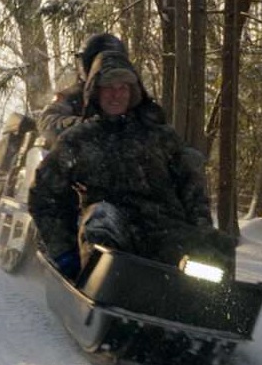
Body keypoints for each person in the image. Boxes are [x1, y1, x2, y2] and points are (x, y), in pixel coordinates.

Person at [28, 50, 233, 281]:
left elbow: (192, 190)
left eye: (122, 87)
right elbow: (44, 196)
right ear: (96, 91)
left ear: (133, 91)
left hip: (165, 231)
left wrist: (202, 231)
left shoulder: (161, 137)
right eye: (109, 87)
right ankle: (102, 292)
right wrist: (64, 252)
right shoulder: (78, 140)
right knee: (102, 221)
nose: (116, 95)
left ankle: (206, 309)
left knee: (218, 249)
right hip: (114, 235)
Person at [36, 32, 165, 149]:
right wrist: (84, 127)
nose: (116, 94)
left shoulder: (134, 93)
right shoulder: (72, 95)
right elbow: (48, 121)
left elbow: (155, 123)